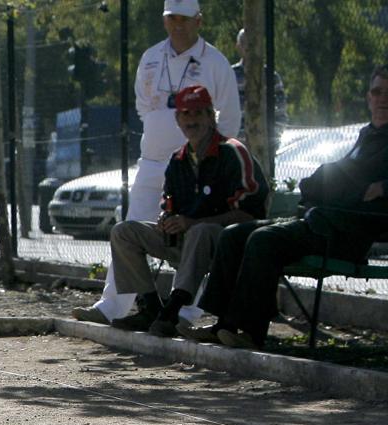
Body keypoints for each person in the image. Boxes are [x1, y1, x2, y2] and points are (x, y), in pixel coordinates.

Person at [184, 64, 388, 350]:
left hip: (352, 231)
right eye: (377, 92)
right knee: (234, 234)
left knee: (263, 240)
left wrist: (385, 187)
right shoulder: (367, 135)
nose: (383, 99)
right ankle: (224, 324)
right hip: (324, 220)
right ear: (369, 97)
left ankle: (251, 331)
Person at [72, 0, 240, 326]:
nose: (178, 25)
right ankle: (113, 307)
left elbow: (229, 119)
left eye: (184, 19)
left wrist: (207, 158)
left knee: (193, 239)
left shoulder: (216, 63)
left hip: (196, 168)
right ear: (164, 21)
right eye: (171, 18)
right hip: (151, 162)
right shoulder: (150, 57)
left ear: (199, 21)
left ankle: (186, 314)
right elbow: (143, 107)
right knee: (130, 229)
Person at [102, 86, 267, 337]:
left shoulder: (233, 152)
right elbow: (169, 205)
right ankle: (150, 308)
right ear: (178, 120)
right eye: (186, 114)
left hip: (225, 246)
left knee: (201, 230)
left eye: (199, 113)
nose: (192, 120)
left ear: (212, 117)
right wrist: (166, 220)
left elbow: (250, 214)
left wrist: (191, 222)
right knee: (124, 231)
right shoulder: (177, 161)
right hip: (185, 242)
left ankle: (174, 309)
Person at [232, 28, 289, 143]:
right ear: (238, 46)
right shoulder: (230, 75)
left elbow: (280, 110)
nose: (248, 47)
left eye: (252, 43)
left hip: (265, 143)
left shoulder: (271, 76)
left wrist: (273, 137)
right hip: (236, 143)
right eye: (244, 43)